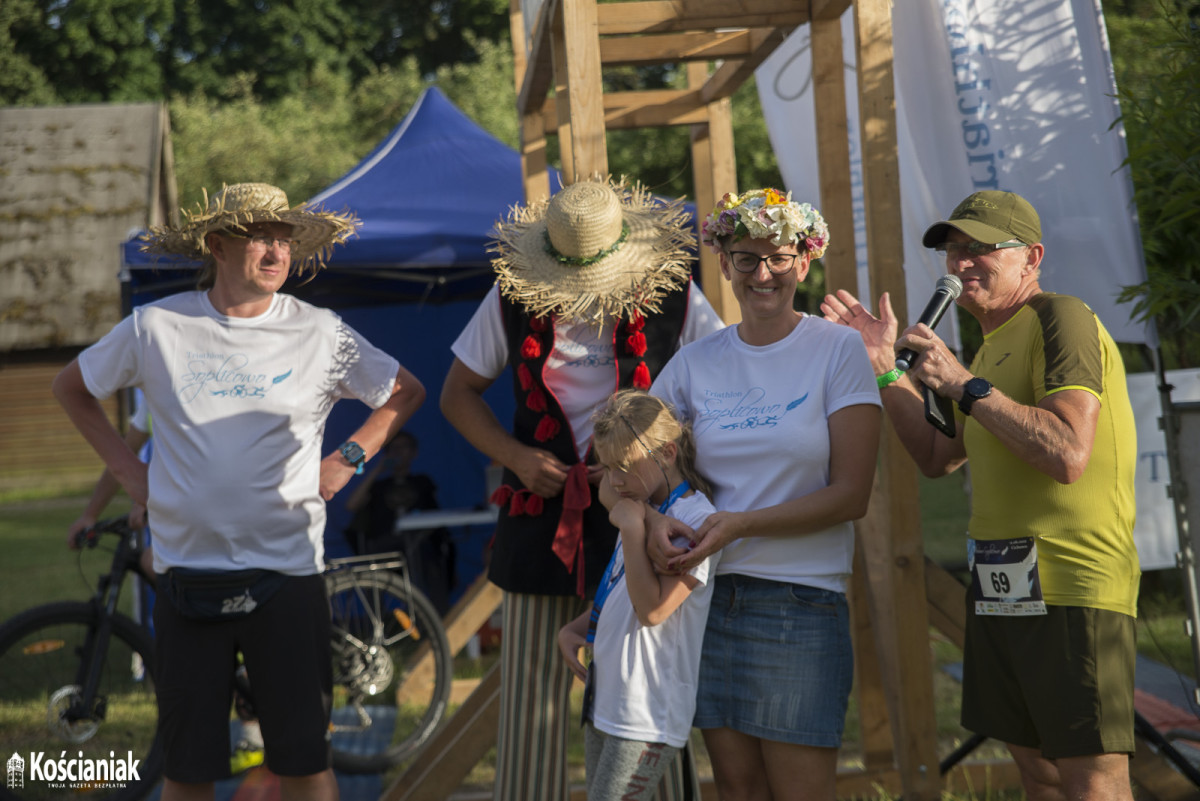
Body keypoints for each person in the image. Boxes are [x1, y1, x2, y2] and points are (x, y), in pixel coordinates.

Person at [53, 182, 425, 801]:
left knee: (304, 762)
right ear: (218, 246)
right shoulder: (157, 326)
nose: (277, 250)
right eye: (260, 237)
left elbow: (403, 392)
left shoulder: (321, 333)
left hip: (287, 575)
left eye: (283, 238)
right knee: (188, 771)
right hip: (186, 579)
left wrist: (347, 458)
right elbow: (73, 387)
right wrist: (128, 473)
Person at [821, 189, 1139, 801]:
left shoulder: (1059, 316)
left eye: (981, 248)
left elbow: (1069, 452)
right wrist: (886, 366)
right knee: (1038, 773)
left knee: (1090, 778)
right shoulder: (990, 344)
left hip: (1074, 587)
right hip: (1001, 589)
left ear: (1031, 257)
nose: (962, 262)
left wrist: (964, 384)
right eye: (953, 250)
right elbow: (938, 458)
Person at [440, 176, 724, 801]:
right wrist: (516, 455)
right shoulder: (512, 296)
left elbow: (718, 388)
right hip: (544, 519)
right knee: (532, 706)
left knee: (645, 691)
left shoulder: (674, 297)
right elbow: (455, 394)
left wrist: (659, 472)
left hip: (647, 520)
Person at [648, 188, 882, 801]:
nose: (763, 273)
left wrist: (740, 524)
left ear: (805, 261)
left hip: (801, 603)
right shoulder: (695, 362)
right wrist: (638, 518)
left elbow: (852, 495)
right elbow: (627, 469)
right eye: (745, 258)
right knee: (736, 789)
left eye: (778, 257)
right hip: (706, 601)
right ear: (722, 264)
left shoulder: (838, 350)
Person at [557, 390, 718, 801]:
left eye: (623, 467)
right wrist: (573, 630)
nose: (613, 481)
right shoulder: (642, 502)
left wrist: (632, 528)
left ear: (666, 453)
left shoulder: (695, 521)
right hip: (609, 700)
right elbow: (621, 590)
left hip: (645, 711)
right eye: (608, 467)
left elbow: (653, 610)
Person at [344, 430, 456, 613]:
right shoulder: (378, 486)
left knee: (433, 561)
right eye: (394, 448)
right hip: (385, 548)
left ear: (414, 452)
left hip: (421, 545)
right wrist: (378, 470)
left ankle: (439, 622)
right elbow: (351, 505)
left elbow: (436, 516)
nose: (400, 453)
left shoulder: (423, 482)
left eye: (405, 448)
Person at [67, 395, 152, 577]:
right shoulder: (155, 399)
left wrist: (153, 495)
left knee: (153, 563)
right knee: (151, 564)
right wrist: (90, 515)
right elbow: (122, 462)